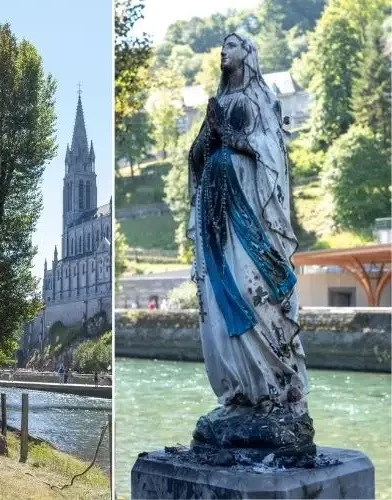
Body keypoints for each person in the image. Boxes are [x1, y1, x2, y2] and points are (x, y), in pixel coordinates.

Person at [187, 33, 308, 436]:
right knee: (220, 302)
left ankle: (273, 390)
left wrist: (232, 138)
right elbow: (196, 157)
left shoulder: (260, 97)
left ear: (249, 54)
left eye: (233, 45)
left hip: (248, 210)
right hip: (215, 211)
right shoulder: (218, 102)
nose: (224, 50)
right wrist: (208, 135)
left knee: (254, 289)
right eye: (222, 46)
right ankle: (239, 393)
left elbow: (272, 149)